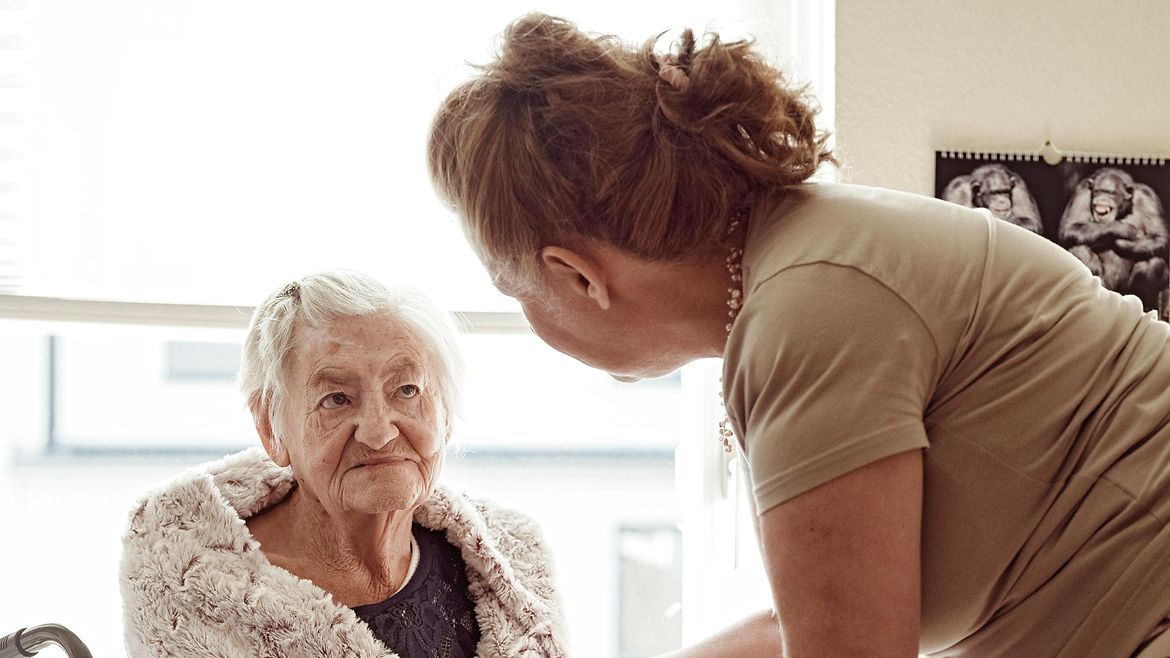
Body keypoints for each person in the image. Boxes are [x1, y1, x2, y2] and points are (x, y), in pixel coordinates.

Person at [427, 12, 1170, 657]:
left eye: (514, 291)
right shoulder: (800, 264)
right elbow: (821, 619)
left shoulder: (807, 313)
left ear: (576, 277)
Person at [119, 270, 570, 658]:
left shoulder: (514, 560)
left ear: (445, 414)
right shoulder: (197, 595)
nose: (379, 431)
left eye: (407, 390)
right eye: (336, 399)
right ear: (271, 429)